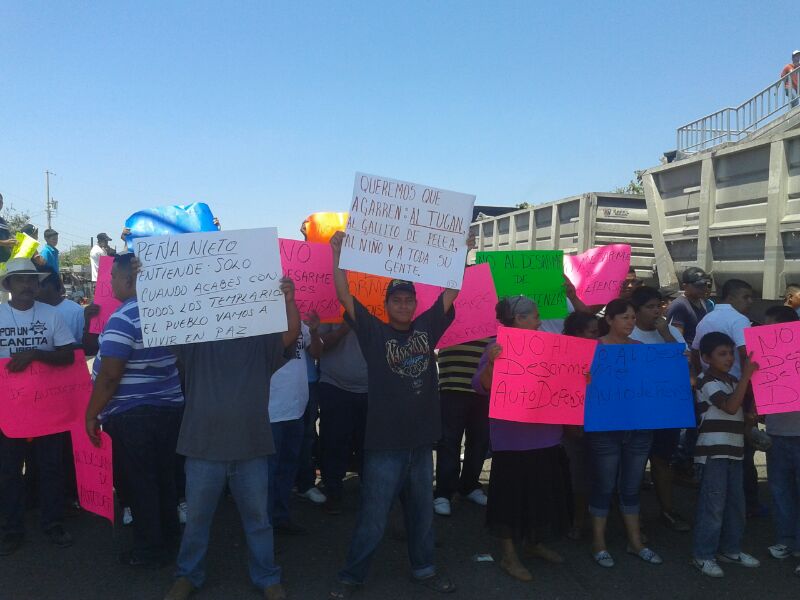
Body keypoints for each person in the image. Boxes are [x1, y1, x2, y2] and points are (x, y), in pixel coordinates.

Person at [328, 230, 459, 598]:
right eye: (396, 300)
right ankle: (352, 576)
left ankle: (425, 569)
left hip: (421, 443)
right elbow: (344, 295)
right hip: (385, 445)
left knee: (422, 513)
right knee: (373, 516)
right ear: (386, 305)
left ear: (416, 304)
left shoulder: (427, 327)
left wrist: (459, 253)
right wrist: (338, 255)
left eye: (408, 299)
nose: (403, 305)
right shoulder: (374, 333)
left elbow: (451, 292)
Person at [164, 276, 300, 600]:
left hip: (251, 447)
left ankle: (266, 576)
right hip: (203, 448)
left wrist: (289, 301)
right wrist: (151, 282)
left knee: (258, 520)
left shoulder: (260, 342)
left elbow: (291, 333)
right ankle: (188, 575)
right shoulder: (196, 340)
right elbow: (165, 327)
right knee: (197, 520)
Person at [84, 253, 185, 567]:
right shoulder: (168, 312)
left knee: (140, 483)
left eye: (113, 275)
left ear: (128, 279)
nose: (110, 281)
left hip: (133, 416)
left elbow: (110, 375)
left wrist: (91, 414)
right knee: (165, 478)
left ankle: (149, 550)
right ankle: (169, 538)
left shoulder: (123, 317)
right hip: (169, 410)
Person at [472, 297, 572, 582]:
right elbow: (480, 386)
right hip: (512, 440)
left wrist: (580, 377)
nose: (539, 321)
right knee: (509, 499)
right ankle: (509, 556)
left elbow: (564, 380)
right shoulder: (497, 347)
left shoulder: (551, 345)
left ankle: (534, 543)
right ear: (519, 319)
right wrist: (492, 364)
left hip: (546, 436)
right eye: (535, 316)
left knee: (541, 495)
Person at [0, 258, 75, 556]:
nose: (27, 285)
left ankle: (53, 522)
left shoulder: (51, 315)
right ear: (8, 284)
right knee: (8, 470)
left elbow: (68, 355)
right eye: (20, 279)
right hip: (9, 411)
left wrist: (36, 354)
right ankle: (12, 528)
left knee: (51, 467)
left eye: (32, 280)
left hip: (48, 408)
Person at [587, 298, 662, 568]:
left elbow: (651, 385)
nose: (630, 322)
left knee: (631, 486)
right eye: (624, 318)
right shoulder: (593, 349)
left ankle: (635, 542)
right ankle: (599, 543)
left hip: (638, 428)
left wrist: (677, 365)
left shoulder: (640, 349)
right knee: (604, 486)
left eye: (632, 318)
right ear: (609, 320)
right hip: (605, 429)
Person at [693, 332, 761, 577]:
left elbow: (738, 415)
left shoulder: (733, 381)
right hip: (713, 453)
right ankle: (703, 555)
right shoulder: (705, 381)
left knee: (735, 505)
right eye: (722, 354)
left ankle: (731, 550)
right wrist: (746, 377)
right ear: (706, 358)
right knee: (713, 506)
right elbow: (731, 407)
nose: (729, 358)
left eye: (731, 353)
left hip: (734, 451)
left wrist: (750, 418)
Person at [629, 286, 691, 532]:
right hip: (636, 410)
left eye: (659, 306)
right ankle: (634, 517)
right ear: (636, 310)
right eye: (650, 307)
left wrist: (666, 334)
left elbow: (684, 363)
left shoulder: (671, 331)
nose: (656, 311)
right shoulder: (628, 332)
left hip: (665, 408)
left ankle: (667, 510)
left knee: (662, 460)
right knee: (634, 465)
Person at [267, 314, 322, 535]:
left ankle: (280, 517)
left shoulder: (299, 320)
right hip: (269, 410)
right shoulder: (262, 321)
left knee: (288, 466)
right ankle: (264, 526)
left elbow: (316, 353)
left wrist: (315, 331)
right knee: (268, 471)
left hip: (296, 407)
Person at [432, 336, 491, 517]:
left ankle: (469, 486)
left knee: (480, 440)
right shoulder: (447, 317)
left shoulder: (494, 318)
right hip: (452, 382)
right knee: (449, 441)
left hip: (484, 385)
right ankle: (443, 492)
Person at [316, 320, 369, 515]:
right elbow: (318, 346)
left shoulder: (384, 304)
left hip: (372, 388)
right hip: (334, 384)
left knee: (369, 446)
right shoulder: (331, 306)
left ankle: (373, 495)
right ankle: (333, 492)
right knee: (333, 443)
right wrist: (345, 327)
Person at [561, 311, 600, 540]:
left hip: (600, 423)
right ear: (578, 333)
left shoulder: (601, 353)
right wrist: (569, 423)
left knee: (596, 473)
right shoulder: (563, 356)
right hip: (573, 426)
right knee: (576, 474)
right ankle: (576, 520)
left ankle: (593, 519)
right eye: (593, 332)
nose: (597, 337)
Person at [35, 266, 86, 344]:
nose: (32, 289)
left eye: (37, 285)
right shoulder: (30, 311)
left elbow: (84, 345)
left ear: (50, 285)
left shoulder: (77, 312)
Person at [667, 267, 712, 347]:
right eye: (698, 286)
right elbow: (677, 338)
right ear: (685, 286)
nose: (703, 288)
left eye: (704, 284)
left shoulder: (702, 302)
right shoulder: (680, 306)